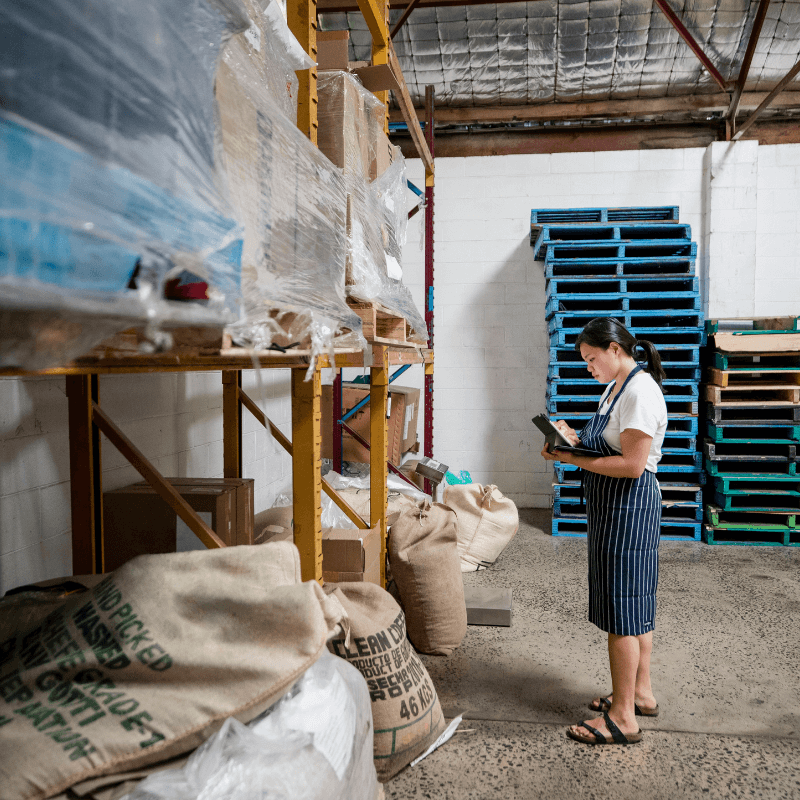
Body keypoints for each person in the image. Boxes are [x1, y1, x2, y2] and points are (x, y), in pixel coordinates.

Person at [541, 317, 668, 746]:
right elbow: (611, 444)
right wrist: (571, 440)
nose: (589, 367)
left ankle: (623, 717)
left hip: (628, 507)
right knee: (635, 604)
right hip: (615, 508)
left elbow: (632, 465)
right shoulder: (616, 387)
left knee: (623, 615)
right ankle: (641, 693)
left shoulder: (639, 392)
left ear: (615, 350)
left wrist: (571, 459)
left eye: (592, 359)